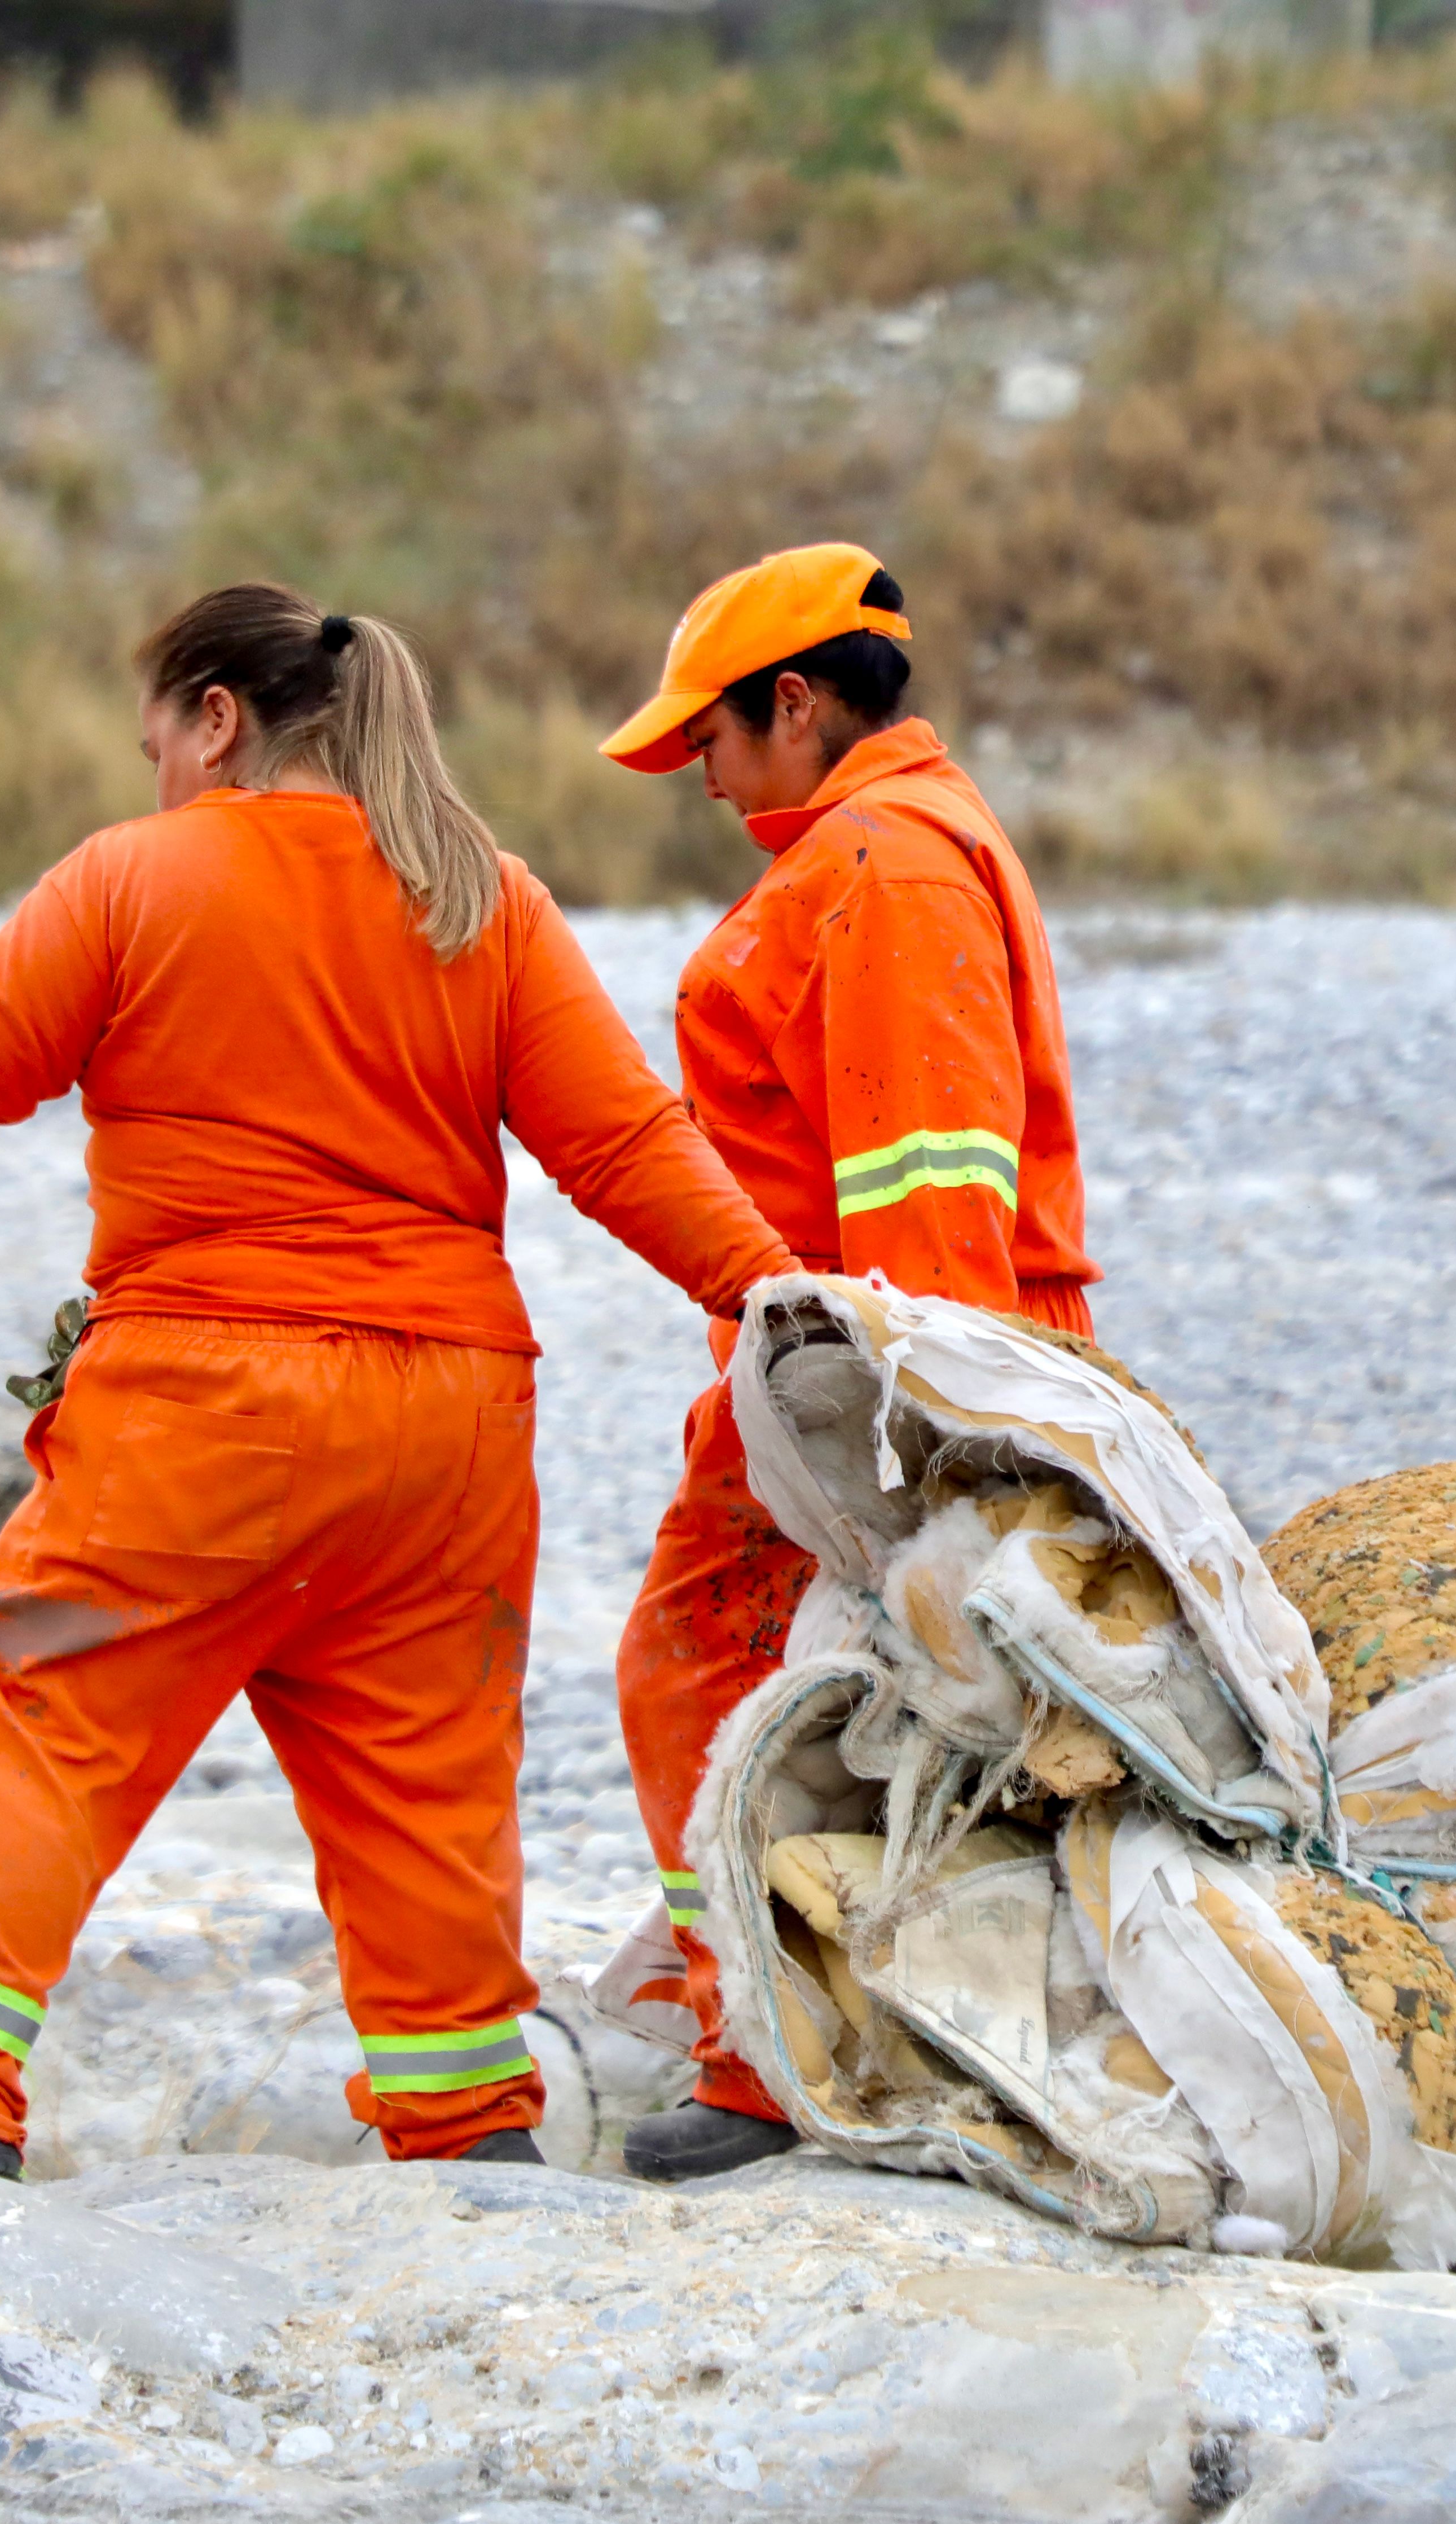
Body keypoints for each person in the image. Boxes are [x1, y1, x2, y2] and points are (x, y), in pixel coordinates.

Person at [0, 584, 801, 2181]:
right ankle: (467, 2134)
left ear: (216, 717)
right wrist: (773, 1299)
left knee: (40, 1705)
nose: (157, 777)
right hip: (449, 1427)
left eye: (159, 742)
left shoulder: (140, 877)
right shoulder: (485, 894)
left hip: (211, 1403)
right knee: (426, 1790)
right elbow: (624, 1145)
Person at [597, 542, 1100, 2182]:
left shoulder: (877, 870)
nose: (703, 779)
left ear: (796, 702)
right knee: (812, 1706)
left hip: (855, 1383)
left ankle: (767, 2061)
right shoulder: (894, 846)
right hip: (847, 1370)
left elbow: (927, 1192)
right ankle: (810, 2026)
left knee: (711, 1680)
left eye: (714, 743)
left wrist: (924, 1449)